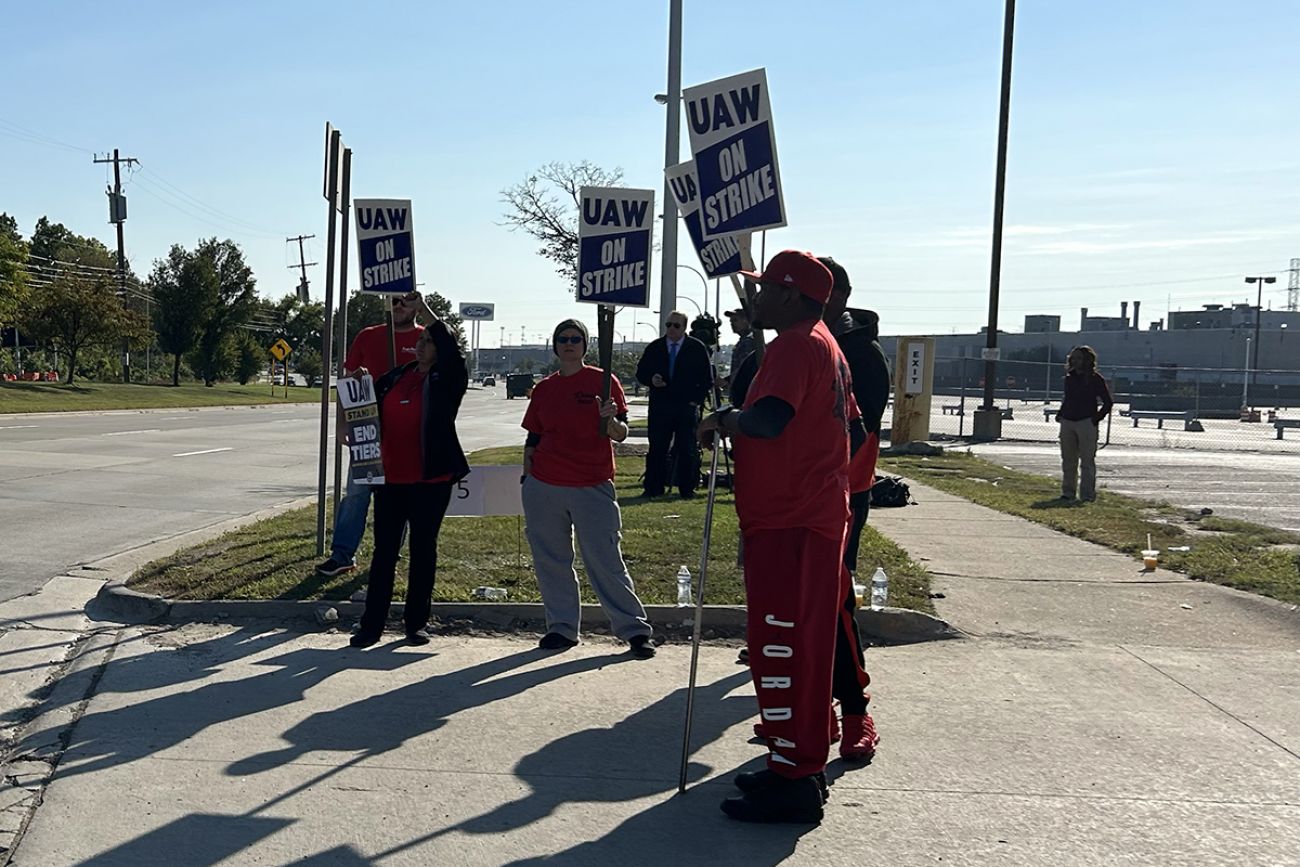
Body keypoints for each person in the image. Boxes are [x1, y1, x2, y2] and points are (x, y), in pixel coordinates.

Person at [697, 250, 865, 825]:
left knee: (782, 644)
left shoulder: (796, 343)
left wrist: (724, 419)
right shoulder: (825, 342)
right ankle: (797, 763)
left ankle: (796, 777)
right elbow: (856, 426)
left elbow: (768, 421)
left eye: (764, 287)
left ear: (791, 295)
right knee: (803, 646)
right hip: (807, 515)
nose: (754, 296)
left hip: (792, 521)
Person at [521, 320, 655, 658]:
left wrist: (610, 422)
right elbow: (533, 436)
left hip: (591, 483)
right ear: (554, 345)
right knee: (552, 561)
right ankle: (562, 628)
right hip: (545, 484)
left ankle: (635, 630)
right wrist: (528, 477)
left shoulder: (603, 380)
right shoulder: (544, 389)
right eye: (563, 339)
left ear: (585, 344)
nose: (569, 344)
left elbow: (622, 433)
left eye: (575, 339)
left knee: (605, 559)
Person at [349, 316, 469, 648]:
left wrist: (424, 310)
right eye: (420, 341)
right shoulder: (392, 378)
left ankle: (416, 623)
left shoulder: (448, 378)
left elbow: (449, 346)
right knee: (384, 551)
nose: (421, 345)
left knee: (422, 550)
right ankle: (371, 625)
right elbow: (365, 410)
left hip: (430, 479)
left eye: (428, 341)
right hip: (389, 479)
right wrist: (359, 386)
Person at [819, 256, 890, 762]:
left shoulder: (862, 355)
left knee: (834, 601)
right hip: (789, 497)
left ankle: (855, 711)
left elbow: (855, 429)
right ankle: (810, 708)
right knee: (800, 609)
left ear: (839, 295)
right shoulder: (791, 345)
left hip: (841, 493)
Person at [317, 291, 430, 577]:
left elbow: (450, 354)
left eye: (405, 301)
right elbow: (346, 381)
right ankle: (342, 555)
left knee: (398, 496)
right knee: (355, 494)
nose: (399, 306)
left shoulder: (426, 340)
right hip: (367, 430)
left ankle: (390, 553)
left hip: (407, 434)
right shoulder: (367, 336)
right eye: (394, 301)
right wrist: (342, 423)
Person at [635, 311, 712, 498]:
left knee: (687, 448)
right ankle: (653, 487)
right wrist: (652, 379)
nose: (671, 329)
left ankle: (687, 488)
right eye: (668, 325)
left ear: (684, 328)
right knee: (657, 447)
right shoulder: (656, 347)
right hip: (661, 405)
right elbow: (641, 372)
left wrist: (696, 400)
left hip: (686, 406)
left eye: (676, 325)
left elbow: (706, 378)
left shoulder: (696, 348)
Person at [1055, 345, 1113, 502]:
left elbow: (1108, 402)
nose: (1075, 361)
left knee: (1087, 461)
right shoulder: (1069, 377)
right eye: (1073, 358)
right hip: (1067, 421)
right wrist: (1060, 414)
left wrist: (1095, 419)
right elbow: (1067, 398)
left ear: (1087, 360)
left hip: (1086, 423)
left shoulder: (1095, 379)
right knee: (1068, 460)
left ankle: (1087, 495)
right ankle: (1068, 493)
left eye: (1079, 358)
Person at [721, 307, 759, 407]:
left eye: (735, 320)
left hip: (744, 394)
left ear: (746, 321)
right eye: (731, 321)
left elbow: (743, 369)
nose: (732, 324)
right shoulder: (745, 342)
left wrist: (726, 382)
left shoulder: (748, 343)